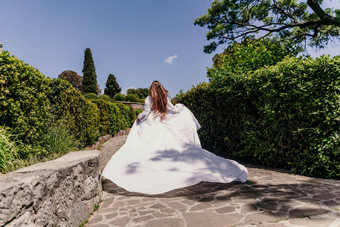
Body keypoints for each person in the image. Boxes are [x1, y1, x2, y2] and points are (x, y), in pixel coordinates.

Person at [102, 81, 248, 195]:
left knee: (150, 146)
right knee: (173, 146)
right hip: (164, 120)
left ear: (151, 89)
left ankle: (152, 166)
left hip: (153, 121)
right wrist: (181, 107)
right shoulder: (165, 97)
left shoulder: (149, 98)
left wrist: (138, 119)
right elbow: (172, 109)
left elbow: (146, 113)